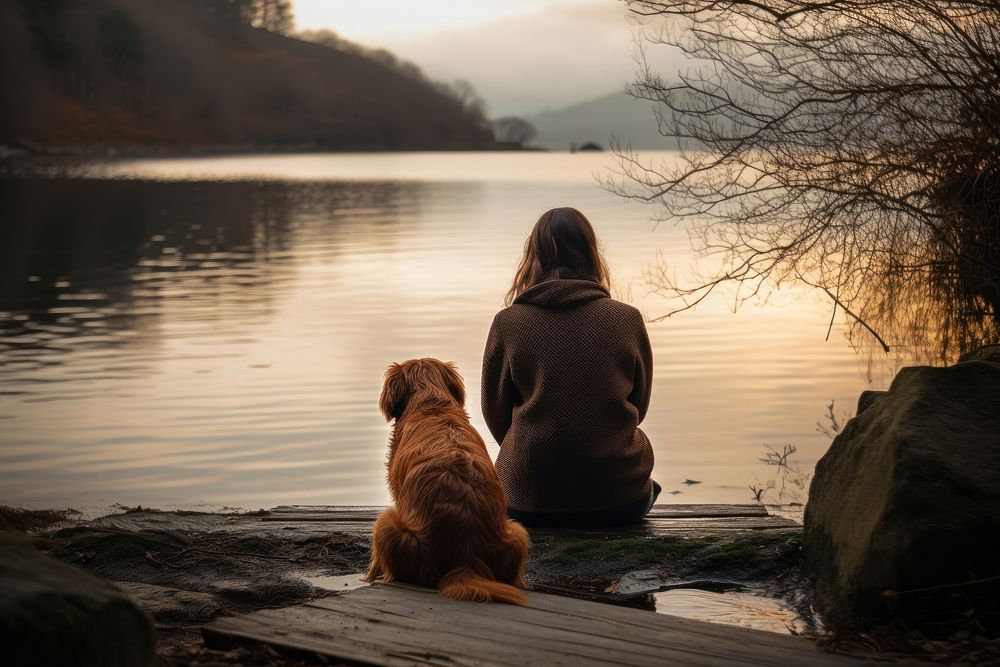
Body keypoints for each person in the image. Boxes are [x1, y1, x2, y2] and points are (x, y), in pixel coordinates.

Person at [481, 207, 660, 528]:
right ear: (591, 254)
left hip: (527, 502)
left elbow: (495, 414)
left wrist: (533, 446)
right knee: (644, 463)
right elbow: (638, 406)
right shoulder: (627, 318)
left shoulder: (507, 322)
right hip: (618, 501)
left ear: (533, 256)